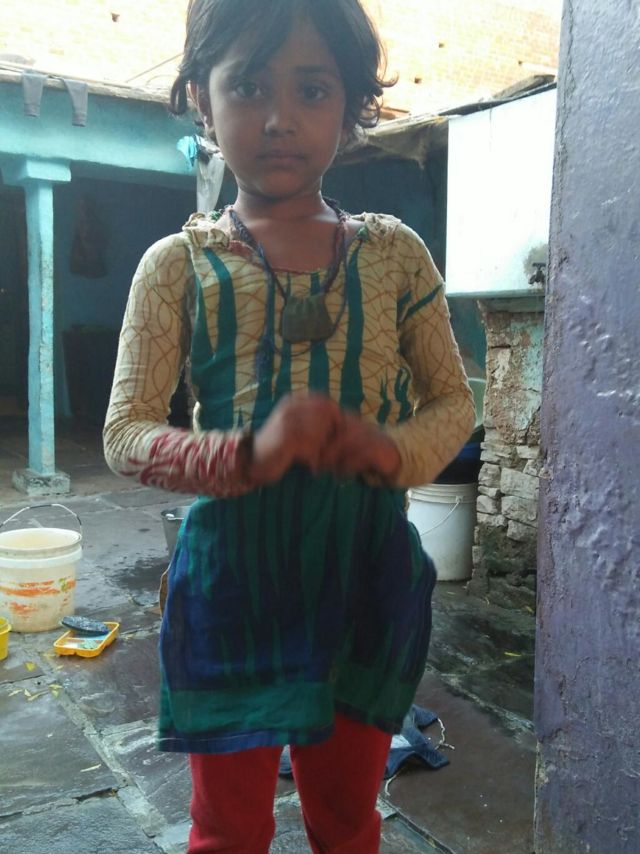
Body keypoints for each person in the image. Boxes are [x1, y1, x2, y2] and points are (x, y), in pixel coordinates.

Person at [104, 0, 475, 850]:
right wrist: (244, 455)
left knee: (346, 822)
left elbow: (453, 404)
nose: (279, 119)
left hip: (364, 583)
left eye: (312, 89)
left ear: (349, 108)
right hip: (232, 590)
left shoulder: (396, 255)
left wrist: (388, 450)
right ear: (201, 100)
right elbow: (125, 432)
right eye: (248, 87)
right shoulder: (177, 266)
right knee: (226, 828)